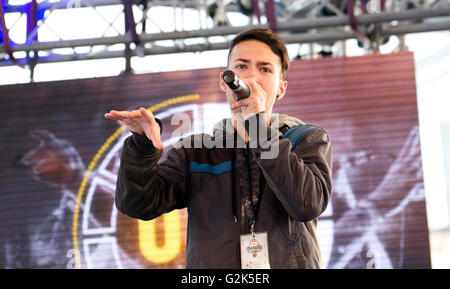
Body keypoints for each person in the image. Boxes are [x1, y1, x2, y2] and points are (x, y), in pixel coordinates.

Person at [104, 28, 332, 269]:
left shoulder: (306, 140)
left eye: (265, 69)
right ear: (224, 81)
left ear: (281, 88)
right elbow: (138, 203)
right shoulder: (197, 151)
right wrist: (141, 145)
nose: (251, 78)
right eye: (242, 67)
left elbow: (307, 203)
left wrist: (256, 124)